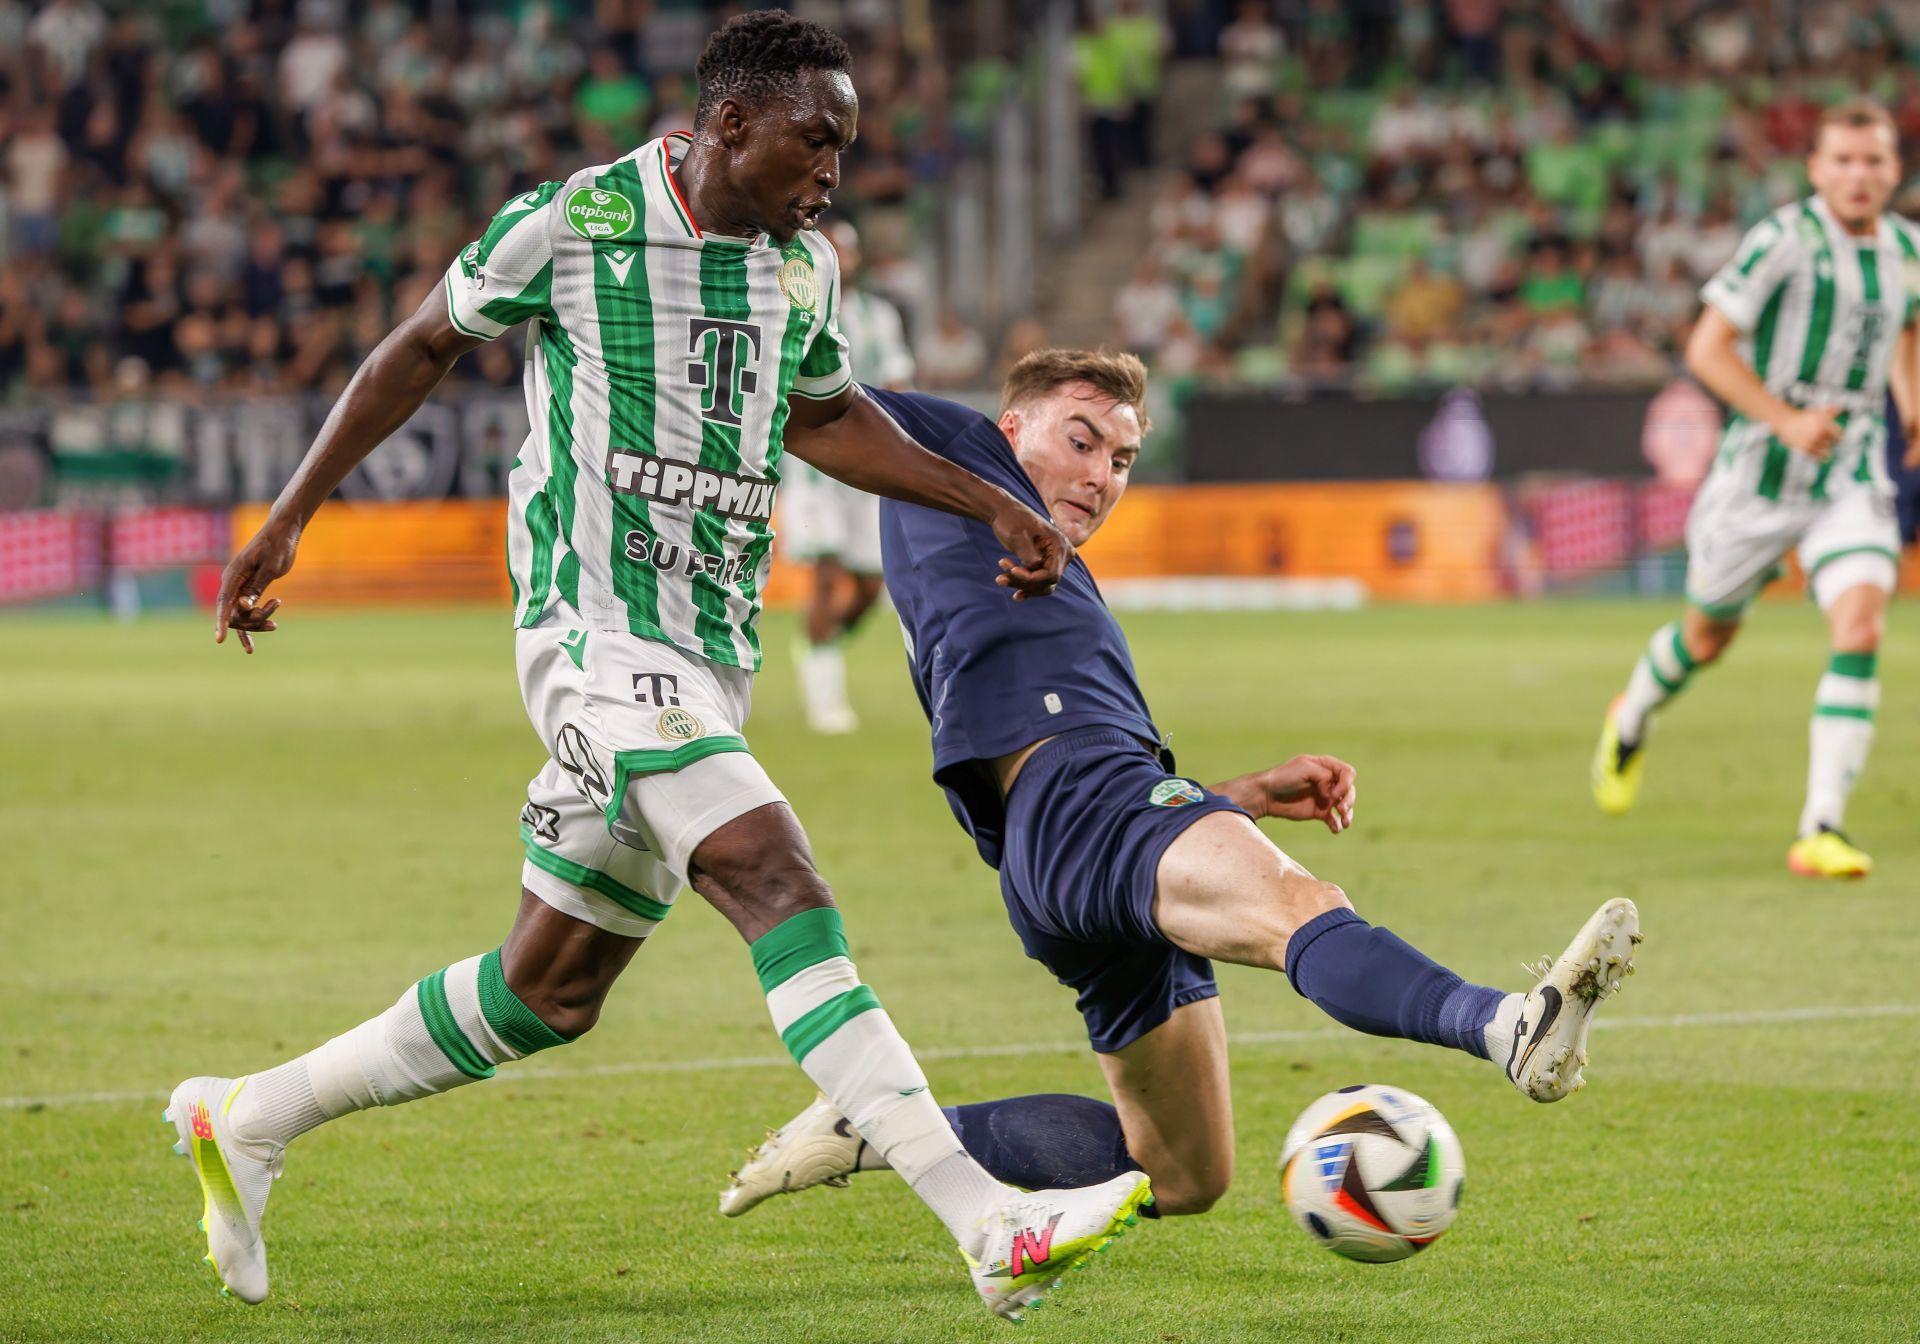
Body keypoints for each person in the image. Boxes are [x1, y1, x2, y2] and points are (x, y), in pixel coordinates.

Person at [165, 13, 1150, 1323]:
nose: (834, 173)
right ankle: (986, 1219)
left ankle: (245, 1118)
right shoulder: (579, 224)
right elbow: (420, 345)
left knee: (548, 991)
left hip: (708, 651)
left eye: (846, 148)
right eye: (818, 139)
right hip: (593, 637)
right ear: (730, 122)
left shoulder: (806, 267)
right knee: (770, 868)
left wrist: (989, 502)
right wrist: (291, 512)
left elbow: (824, 415)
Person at [717, 348, 1640, 1222]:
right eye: (1079, 440)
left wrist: (1232, 796)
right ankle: (1509, 1026)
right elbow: (818, 406)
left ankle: (881, 1129)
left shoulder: (1047, 573)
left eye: (1120, 459)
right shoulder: (963, 452)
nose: (1100, 475)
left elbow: (1096, 792)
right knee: (1300, 905)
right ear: (1011, 425)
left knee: (1184, 1171)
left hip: (1066, 843)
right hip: (1084, 803)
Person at [1591, 99, 1920, 878]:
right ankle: (1630, 714)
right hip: (1758, 477)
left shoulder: (1909, 249)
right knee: (1708, 636)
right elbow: (1706, 348)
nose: (1858, 175)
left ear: (1893, 168)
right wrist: (1784, 418)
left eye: (1873, 160)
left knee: (1863, 622)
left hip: (1852, 472)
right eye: (1842, 160)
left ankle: (1820, 827)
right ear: (1814, 168)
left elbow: (1907, 332)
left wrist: (1912, 410)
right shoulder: (1784, 239)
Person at [780, 219, 914, 733]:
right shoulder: (795, 306)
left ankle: (820, 643)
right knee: (827, 576)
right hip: (813, 472)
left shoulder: (879, 316)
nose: (843, 259)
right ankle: (825, 701)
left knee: (869, 588)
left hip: (866, 469)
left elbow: (898, 382)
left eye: (849, 250)